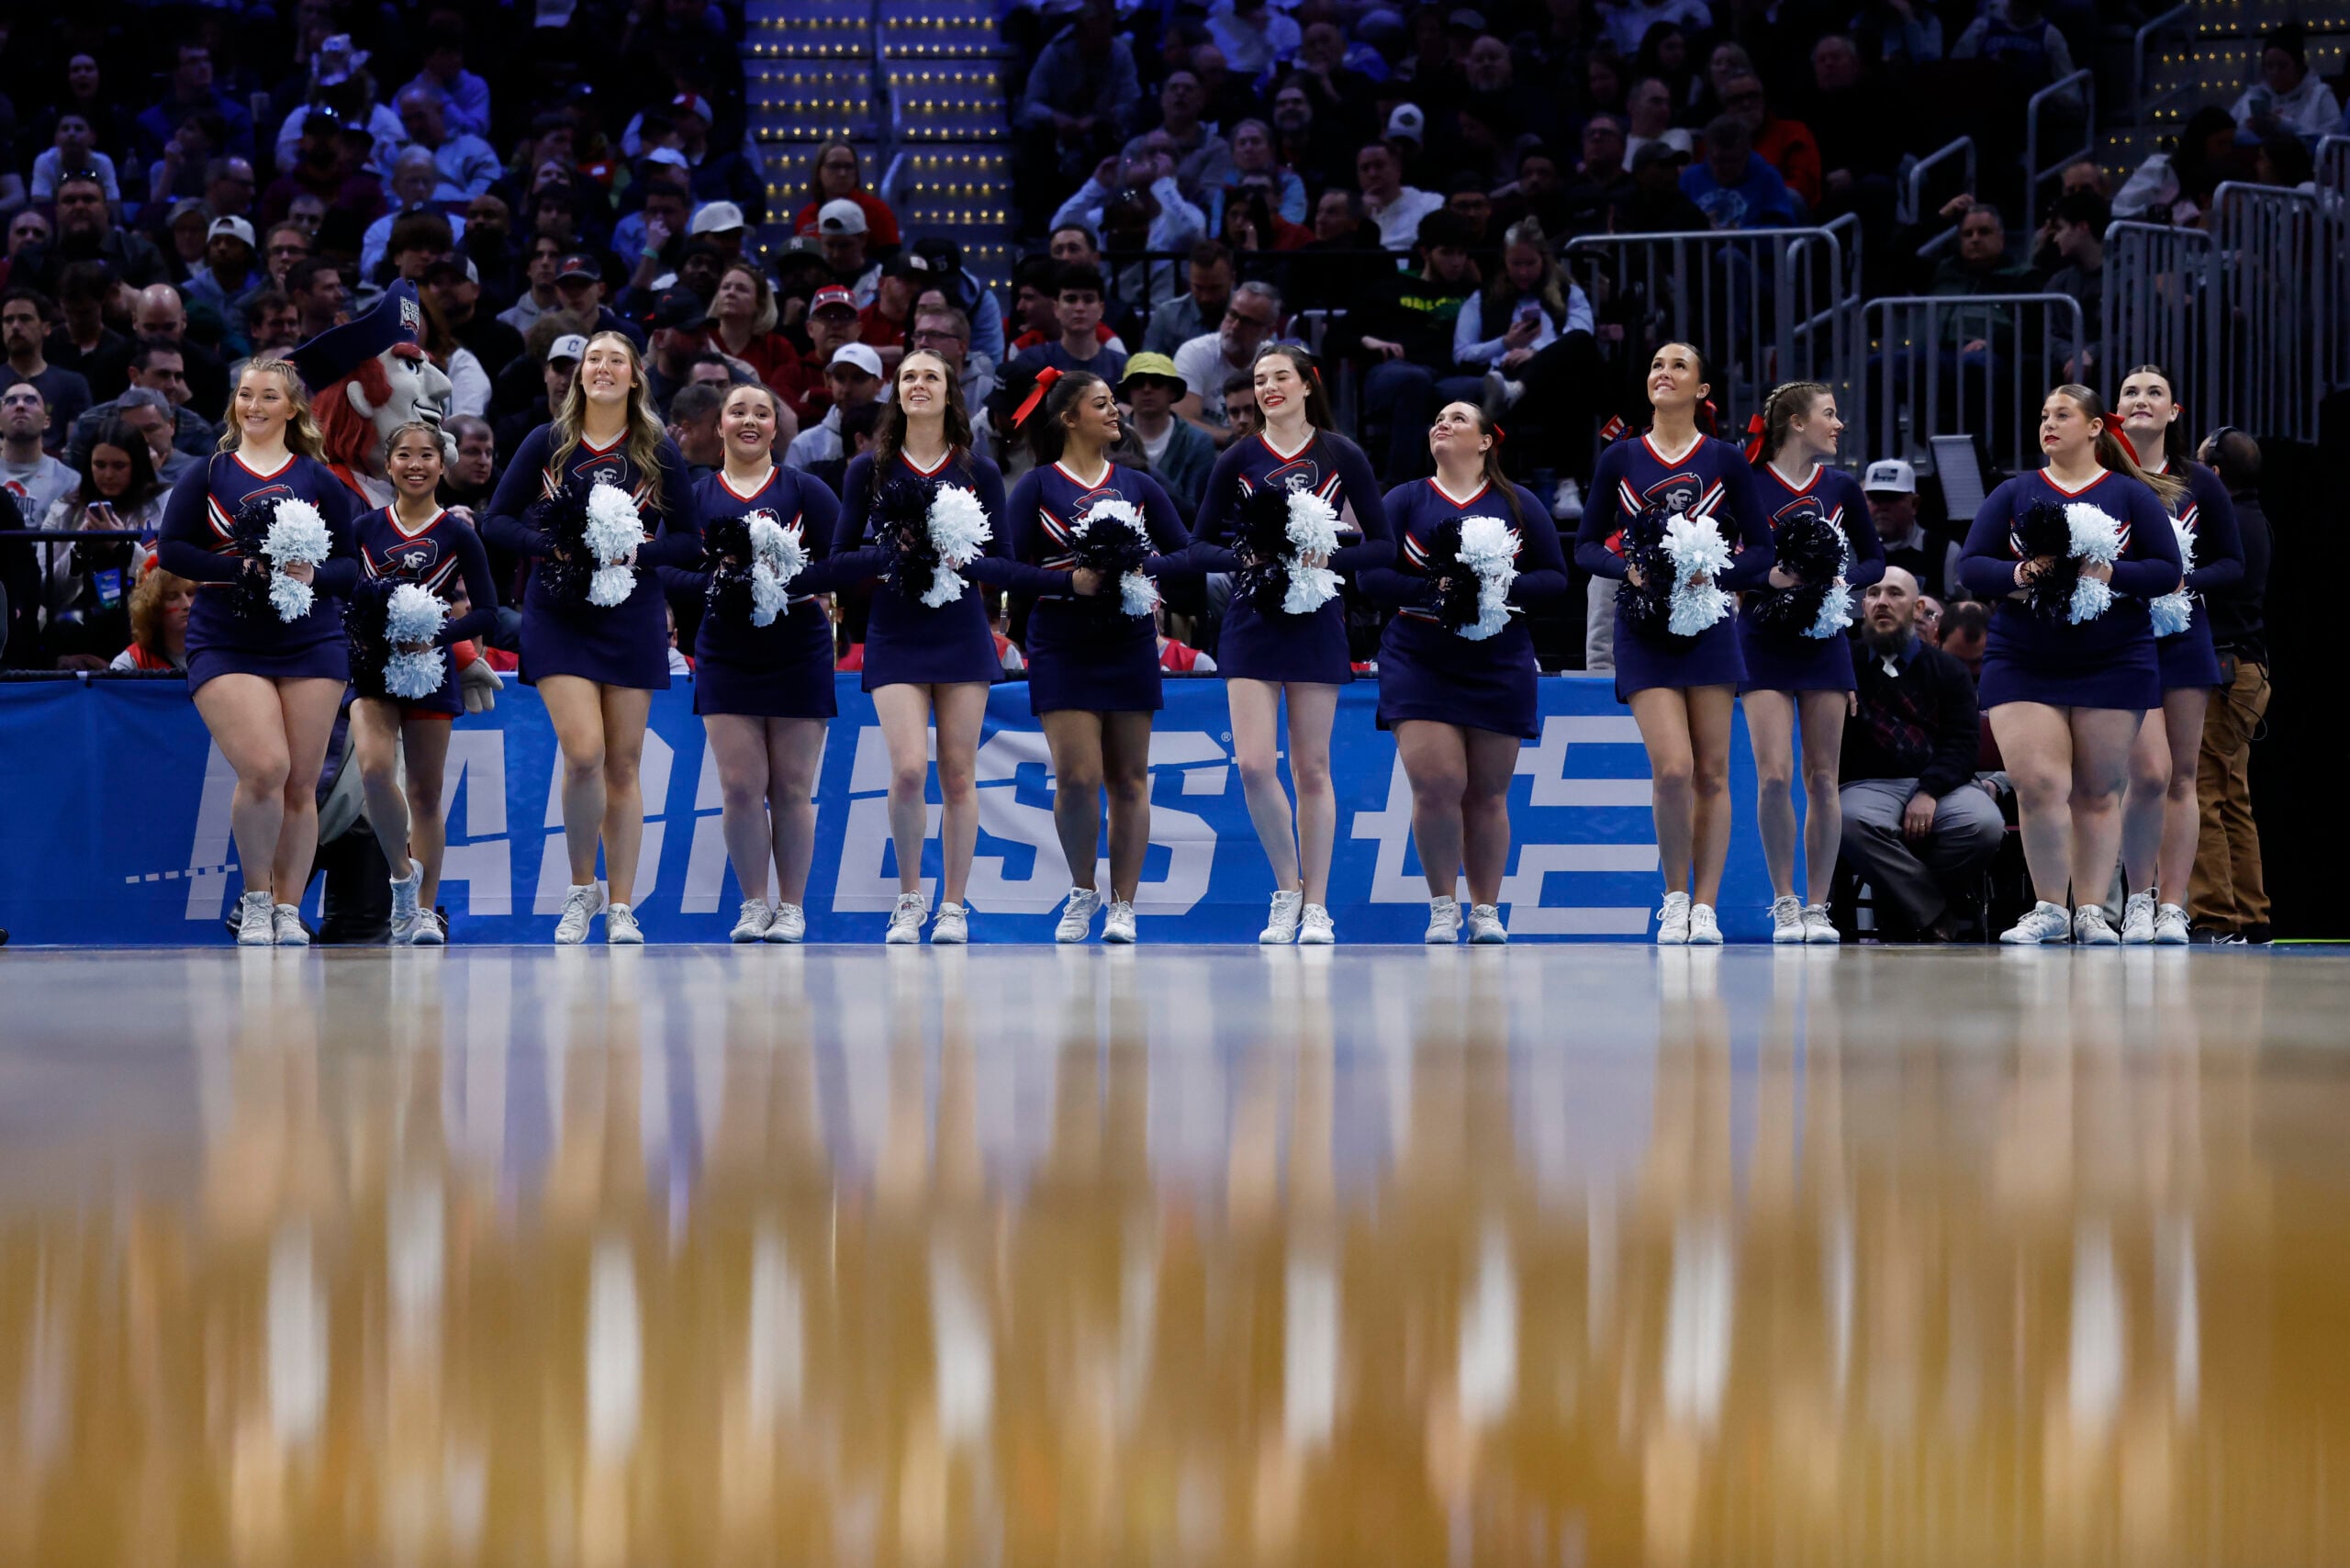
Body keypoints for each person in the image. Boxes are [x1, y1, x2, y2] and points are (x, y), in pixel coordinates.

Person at [483, 331, 701, 945]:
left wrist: (640, 551)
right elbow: (496, 520)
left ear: (635, 377)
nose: (602, 368)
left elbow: (690, 540)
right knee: (584, 754)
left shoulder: (656, 448)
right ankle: (583, 890)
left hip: (631, 613)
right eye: (593, 360)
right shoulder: (548, 443)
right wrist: (551, 547)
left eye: (616, 360)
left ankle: (623, 904)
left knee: (624, 764)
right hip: (558, 613)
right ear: (580, 377)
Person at [1954, 385, 2182, 945]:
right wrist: (2024, 573)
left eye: (2062, 415)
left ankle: (2092, 911)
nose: (2049, 424)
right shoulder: (2015, 492)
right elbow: (1971, 566)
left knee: (2099, 791)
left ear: (2094, 428)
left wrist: (2110, 575)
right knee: (2038, 784)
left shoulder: (2130, 495)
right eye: (2043, 415)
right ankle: (2051, 908)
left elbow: (2166, 571)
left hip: (2114, 657)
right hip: (2024, 656)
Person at [1188, 343, 1393, 944]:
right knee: (1253, 764)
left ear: (1307, 383)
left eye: (1281, 376)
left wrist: (1332, 551)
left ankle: (1319, 905)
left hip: (1316, 614)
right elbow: (1198, 547)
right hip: (1253, 617)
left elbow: (1382, 546)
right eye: (1260, 379)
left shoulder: (1340, 453)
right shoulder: (1238, 457)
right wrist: (1247, 556)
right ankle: (1287, 890)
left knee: (1312, 767)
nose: (1269, 387)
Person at [1573, 343, 1777, 945]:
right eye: (1656, 365)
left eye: (1678, 366)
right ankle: (1674, 896)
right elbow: (1586, 546)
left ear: (1702, 390)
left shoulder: (1726, 460)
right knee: (1673, 769)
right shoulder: (1620, 458)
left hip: (1709, 626)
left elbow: (1762, 551)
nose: (1663, 373)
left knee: (1712, 774)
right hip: (1642, 628)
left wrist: (1716, 571)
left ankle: (1706, 907)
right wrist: (1629, 570)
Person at [154, 359, 363, 946]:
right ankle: (255, 899)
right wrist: (238, 568)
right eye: (245, 395)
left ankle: (290, 911)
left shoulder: (320, 480)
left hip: (311, 640)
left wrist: (309, 573)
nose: (253, 405)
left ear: (292, 408)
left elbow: (349, 569)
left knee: (301, 782)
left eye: (267, 396)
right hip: (227, 639)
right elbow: (172, 550)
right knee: (266, 766)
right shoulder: (209, 473)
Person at [1361, 402, 1568, 944]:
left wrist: (1494, 588)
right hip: (1418, 658)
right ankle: (1441, 905)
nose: (1441, 424)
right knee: (1436, 785)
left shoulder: (1517, 504)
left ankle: (1486, 910)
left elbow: (1555, 578)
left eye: (1456, 418)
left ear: (1484, 442)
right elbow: (1371, 574)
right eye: (1436, 419)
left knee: (1488, 794)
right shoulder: (1405, 498)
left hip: (1498, 660)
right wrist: (1437, 590)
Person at [830, 350, 1017, 945]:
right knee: (909, 769)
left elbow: (1004, 561)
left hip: (961, 628)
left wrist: (961, 553)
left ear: (949, 391)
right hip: (895, 628)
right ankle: (909, 898)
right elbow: (839, 560)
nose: (918, 384)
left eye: (929, 376)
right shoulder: (869, 469)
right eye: (908, 376)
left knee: (959, 774)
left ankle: (954, 905)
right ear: (897, 392)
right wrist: (896, 550)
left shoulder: (978, 470)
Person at [1002, 369, 1192, 944]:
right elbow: (1004, 569)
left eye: (1116, 405)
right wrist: (1068, 584)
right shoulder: (1037, 486)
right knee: (1078, 778)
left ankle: (1123, 905)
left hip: (1128, 640)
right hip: (1062, 641)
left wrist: (1135, 568)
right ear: (1069, 418)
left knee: (1130, 778)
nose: (1118, 413)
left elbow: (1185, 557)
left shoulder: (1139, 485)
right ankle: (1082, 891)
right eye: (1104, 404)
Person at [664, 384, 847, 944]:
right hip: (726, 648)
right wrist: (717, 585)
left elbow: (844, 562)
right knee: (741, 785)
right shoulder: (694, 495)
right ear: (717, 427)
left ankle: (792, 907)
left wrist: (787, 580)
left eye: (761, 413)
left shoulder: (804, 488)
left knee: (792, 787)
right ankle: (753, 904)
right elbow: (663, 569)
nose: (749, 421)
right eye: (737, 412)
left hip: (798, 645)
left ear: (776, 428)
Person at [1740, 383, 1886, 943]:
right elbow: (1729, 561)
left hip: (1824, 639)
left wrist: (1837, 576)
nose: (1838, 424)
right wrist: (1769, 577)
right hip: (1762, 637)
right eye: (1830, 414)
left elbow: (1874, 560)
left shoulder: (1842, 487)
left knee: (1823, 777)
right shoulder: (1749, 484)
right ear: (1796, 423)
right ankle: (1784, 900)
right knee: (1774, 775)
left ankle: (1819, 907)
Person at [349, 421, 500, 945]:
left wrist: (435, 635)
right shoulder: (365, 528)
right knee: (373, 772)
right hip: (373, 670)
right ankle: (400, 878)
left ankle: (425, 911)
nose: (416, 465)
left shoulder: (458, 533)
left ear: (443, 465)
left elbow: (488, 613)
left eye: (427, 456)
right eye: (405, 456)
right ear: (388, 465)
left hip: (431, 670)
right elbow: (343, 600)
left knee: (426, 794)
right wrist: (372, 636)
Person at [2113, 364, 2244, 945]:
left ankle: (2172, 906)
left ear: (2174, 413)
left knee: (2182, 777)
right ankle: (2136, 899)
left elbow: (2233, 563)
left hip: (2185, 635)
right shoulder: (2100, 477)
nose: (2142, 400)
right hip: (2118, 638)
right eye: (2131, 392)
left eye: (2155, 393)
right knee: (2144, 774)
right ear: (2113, 412)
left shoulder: (2199, 482)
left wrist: (2182, 582)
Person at [1838, 566, 2005, 940]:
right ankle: (1933, 911)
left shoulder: (1949, 670)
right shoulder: (1842, 667)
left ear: (1917, 608)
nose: (1882, 601)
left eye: (1895, 594)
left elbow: (1963, 744)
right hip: (1867, 785)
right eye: (1874, 593)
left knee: (1984, 825)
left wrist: (1929, 791)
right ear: (1863, 605)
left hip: (1942, 786)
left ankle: (1902, 905)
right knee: (1848, 821)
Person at [1326, 209, 1483, 488]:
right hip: (1392, 373)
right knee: (1414, 381)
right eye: (1447, 253)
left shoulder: (1472, 294)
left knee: (1477, 388)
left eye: (1462, 254)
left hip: (1446, 377)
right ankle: (1399, 486)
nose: (1457, 262)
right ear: (1425, 252)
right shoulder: (1392, 288)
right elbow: (1336, 337)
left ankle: (1470, 489)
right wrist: (1368, 341)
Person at [2189, 426, 2270, 943]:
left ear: (2215, 476)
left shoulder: (2227, 527)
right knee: (2232, 796)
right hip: (2248, 671)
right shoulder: (2255, 518)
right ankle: (2251, 916)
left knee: (2202, 794)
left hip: (2224, 671)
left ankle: (2215, 917)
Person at [38, 419, 165, 667]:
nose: (108, 475)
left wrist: (122, 546)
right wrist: (79, 548)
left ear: (136, 465)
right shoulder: (64, 509)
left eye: (119, 466)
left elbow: (169, 581)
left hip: (141, 632)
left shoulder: (164, 504)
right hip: (70, 631)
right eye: (100, 465)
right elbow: (44, 589)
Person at [1171, 281, 1281, 443]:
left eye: (1247, 321)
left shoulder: (1276, 364)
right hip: (1206, 457)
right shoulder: (1194, 353)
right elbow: (1184, 422)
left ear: (1268, 332)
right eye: (1232, 315)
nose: (1235, 326)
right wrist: (1234, 440)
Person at [1120, 354, 1214, 520]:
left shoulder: (1198, 441)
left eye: (1157, 382)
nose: (1147, 389)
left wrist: (1145, 470)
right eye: (1138, 383)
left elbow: (1196, 513)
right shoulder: (1110, 438)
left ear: (1172, 392)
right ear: (1128, 393)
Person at [2231, 24, 2341, 140]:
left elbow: (2334, 141)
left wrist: (2286, 126)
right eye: (2269, 66)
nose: (2275, 72)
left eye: (2282, 66)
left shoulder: (2319, 96)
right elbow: (2229, 132)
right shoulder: (2252, 97)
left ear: (2298, 66)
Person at [793, 140, 901, 248]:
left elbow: (892, 260)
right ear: (818, 172)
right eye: (834, 166)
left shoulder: (877, 211)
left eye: (848, 167)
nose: (842, 174)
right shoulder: (806, 216)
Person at [1860, 458, 1940, 595]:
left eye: (1892, 498)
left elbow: (1959, 613)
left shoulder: (1942, 553)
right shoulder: (1850, 552)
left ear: (1914, 504)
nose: (1883, 507)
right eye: (1875, 498)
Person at [111, 561, 196, 673]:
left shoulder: (220, 652)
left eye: (190, 593)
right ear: (152, 607)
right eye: (172, 596)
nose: (187, 605)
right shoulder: (132, 662)